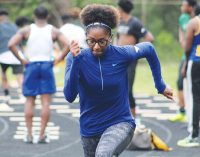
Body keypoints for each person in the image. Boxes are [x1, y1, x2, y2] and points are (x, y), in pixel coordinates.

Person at [64, 4, 173, 157]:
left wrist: (160, 85)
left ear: (110, 38)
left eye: (102, 41)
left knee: (103, 155)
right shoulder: (76, 57)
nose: (96, 47)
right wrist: (75, 62)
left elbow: (148, 48)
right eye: (91, 41)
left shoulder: (122, 53)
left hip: (120, 122)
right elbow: (69, 96)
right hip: (89, 128)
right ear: (85, 38)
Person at [8, 6, 69, 144]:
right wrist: (59, 59)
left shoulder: (26, 30)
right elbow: (69, 44)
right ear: (47, 16)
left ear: (34, 16)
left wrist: (22, 59)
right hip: (47, 65)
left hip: (31, 65)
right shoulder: (53, 30)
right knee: (46, 102)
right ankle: (41, 135)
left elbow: (11, 44)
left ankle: (29, 134)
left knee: (30, 100)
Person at [116, 0, 154, 118]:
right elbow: (118, 38)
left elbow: (150, 38)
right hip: (118, 59)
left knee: (128, 90)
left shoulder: (135, 23)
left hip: (130, 60)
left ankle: (134, 119)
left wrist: (138, 51)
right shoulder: (120, 22)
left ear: (121, 8)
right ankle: (120, 117)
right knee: (117, 88)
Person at [169, 0, 196, 123]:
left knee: (194, 88)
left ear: (190, 7)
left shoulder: (196, 20)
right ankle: (182, 111)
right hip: (186, 56)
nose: (181, 7)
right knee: (180, 82)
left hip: (194, 56)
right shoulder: (183, 18)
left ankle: (193, 116)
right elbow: (181, 30)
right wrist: (182, 40)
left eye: (184, 5)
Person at [177, 3, 200, 148]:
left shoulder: (193, 22)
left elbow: (187, 47)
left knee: (194, 98)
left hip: (196, 62)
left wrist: (185, 63)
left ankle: (194, 135)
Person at [0, 9, 24, 103]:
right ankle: (22, 95)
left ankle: (7, 95)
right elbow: (20, 40)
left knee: (3, 74)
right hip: (16, 53)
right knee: (19, 76)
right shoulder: (14, 26)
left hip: (3, 54)